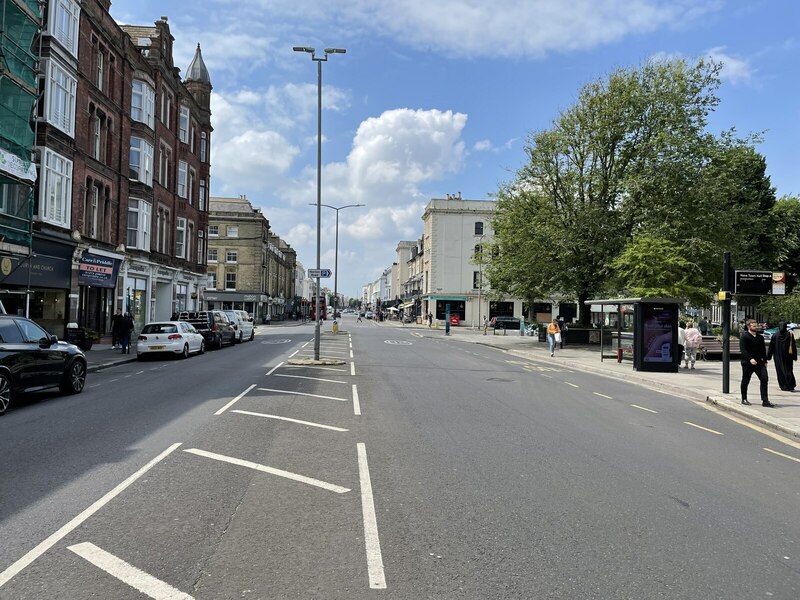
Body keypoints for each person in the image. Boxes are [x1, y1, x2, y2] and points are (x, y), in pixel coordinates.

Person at [740, 318, 775, 407]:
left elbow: (763, 350)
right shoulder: (744, 336)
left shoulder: (760, 337)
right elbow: (743, 350)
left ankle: (765, 401)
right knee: (746, 380)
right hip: (747, 362)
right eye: (754, 326)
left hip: (759, 362)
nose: (756, 327)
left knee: (764, 378)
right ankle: (744, 398)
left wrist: (765, 361)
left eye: (756, 325)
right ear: (749, 326)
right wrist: (750, 358)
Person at [767, 321, 797, 391]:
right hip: (788, 357)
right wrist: (794, 356)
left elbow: (771, 347)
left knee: (780, 371)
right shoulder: (789, 335)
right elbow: (793, 346)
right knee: (789, 370)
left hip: (778, 356)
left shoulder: (775, 335)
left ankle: (783, 386)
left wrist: (768, 356)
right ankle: (790, 385)